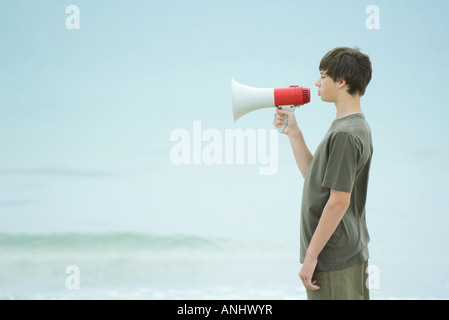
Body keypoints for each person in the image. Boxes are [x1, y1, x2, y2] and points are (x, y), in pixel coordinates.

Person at [274, 47, 373, 300]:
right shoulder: (354, 125)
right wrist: (293, 133)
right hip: (346, 249)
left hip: (333, 256)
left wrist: (311, 257)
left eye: (323, 76)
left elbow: (339, 201)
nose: (317, 82)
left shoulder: (344, 134)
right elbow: (316, 179)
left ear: (341, 81)